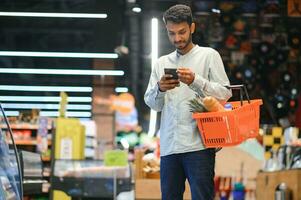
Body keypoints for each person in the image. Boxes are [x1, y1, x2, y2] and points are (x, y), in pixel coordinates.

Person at [144, 4, 232, 200]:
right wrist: (160, 88)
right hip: (169, 148)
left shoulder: (209, 56)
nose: (177, 38)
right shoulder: (161, 63)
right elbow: (153, 104)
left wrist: (196, 81)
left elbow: (225, 94)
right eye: (171, 33)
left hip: (199, 146)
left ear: (192, 27)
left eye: (182, 32)